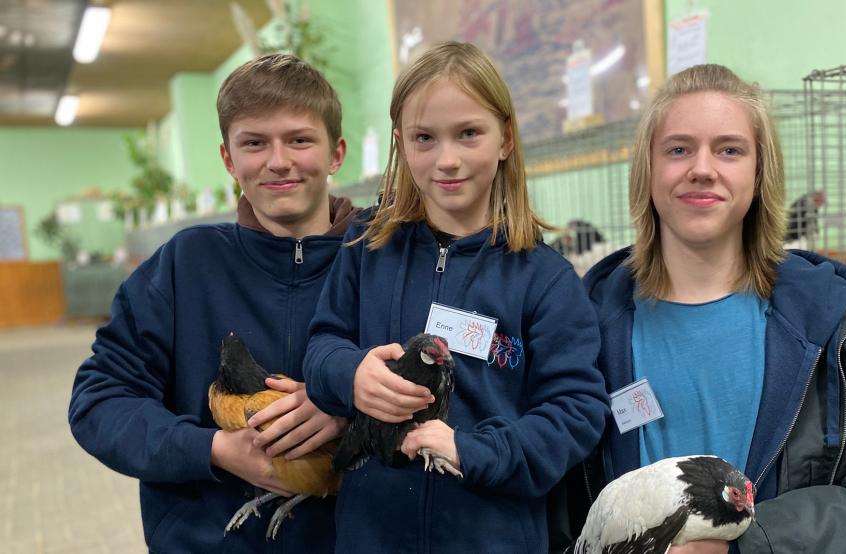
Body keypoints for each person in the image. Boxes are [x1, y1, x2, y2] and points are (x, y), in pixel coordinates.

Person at [570, 64, 846, 553]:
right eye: (678, 149)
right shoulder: (585, 320)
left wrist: (750, 545)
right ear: (647, 168)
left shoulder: (839, 319)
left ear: (759, 171)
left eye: (729, 149)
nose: (702, 168)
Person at [302, 41, 609, 553]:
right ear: (401, 144)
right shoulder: (366, 246)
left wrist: (472, 450)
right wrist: (348, 374)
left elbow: (576, 412)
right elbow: (322, 345)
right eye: (425, 138)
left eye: (468, 133)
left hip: (493, 535)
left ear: (505, 138)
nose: (447, 160)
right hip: (371, 534)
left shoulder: (546, 279)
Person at [68, 53, 360, 552]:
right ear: (228, 159)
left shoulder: (380, 258)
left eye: (299, 139)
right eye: (254, 143)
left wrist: (346, 414)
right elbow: (99, 402)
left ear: (336, 153)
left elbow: (445, 392)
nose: (278, 161)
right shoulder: (183, 266)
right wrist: (215, 449)